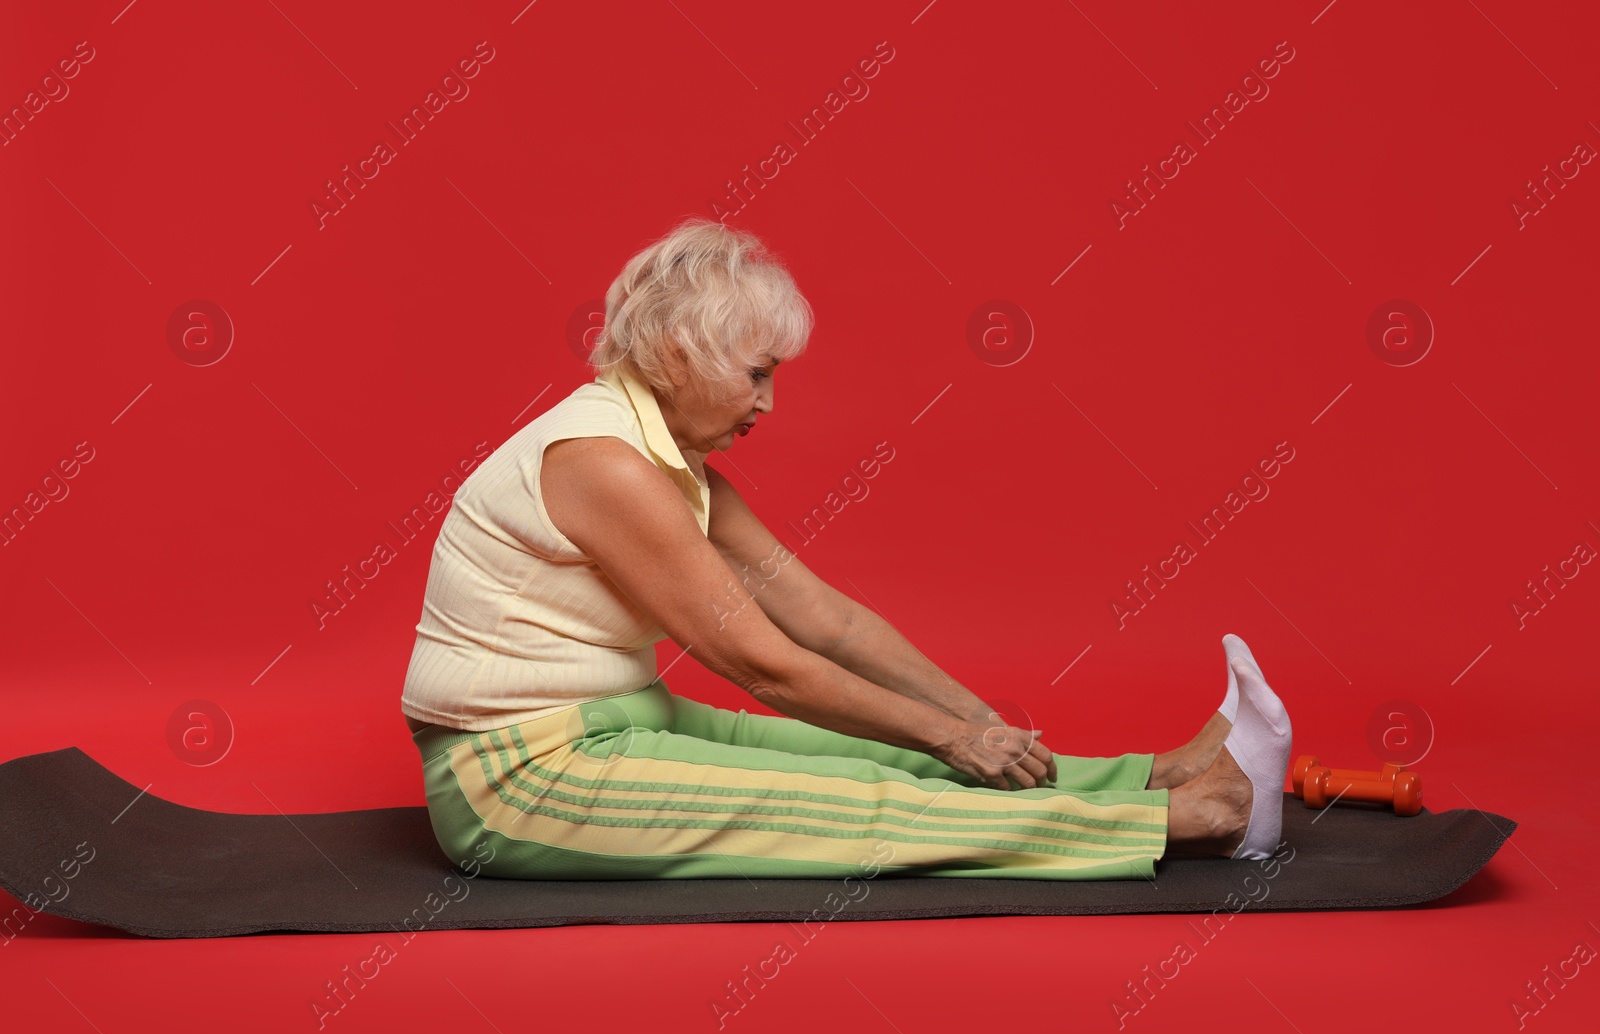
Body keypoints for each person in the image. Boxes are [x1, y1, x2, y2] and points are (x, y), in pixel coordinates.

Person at [399, 217, 1292, 881]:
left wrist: (977, 723)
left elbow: (825, 618)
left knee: (887, 755)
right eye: (757, 373)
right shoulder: (605, 464)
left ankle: (1159, 772)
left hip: (619, 722)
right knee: (862, 804)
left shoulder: (667, 459)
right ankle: (1191, 818)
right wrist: (954, 738)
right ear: (677, 355)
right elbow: (765, 665)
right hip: (516, 776)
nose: (768, 404)